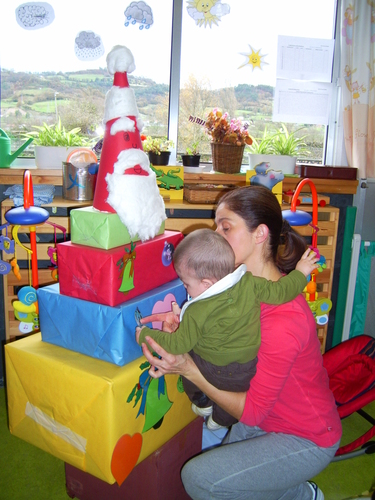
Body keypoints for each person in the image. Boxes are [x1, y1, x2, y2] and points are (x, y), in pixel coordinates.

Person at [139, 185, 342, 500]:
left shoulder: (283, 319)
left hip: (304, 436)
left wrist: (187, 369)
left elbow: (253, 413)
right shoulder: (234, 288)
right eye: (215, 224)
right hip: (265, 415)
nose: (216, 234)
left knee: (199, 478)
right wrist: (185, 328)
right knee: (206, 447)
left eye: (226, 226)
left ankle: (302, 494)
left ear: (259, 234)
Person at [136, 228, 317, 430]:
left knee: (189, 368)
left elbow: (178, 344)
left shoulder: (197, 310)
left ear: (206, 284)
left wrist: (145, 335)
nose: (185, 289)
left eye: (186, 284)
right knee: (228, 405)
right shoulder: (249, 283)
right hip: (245, 370)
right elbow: (283, 291)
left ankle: (202, 403)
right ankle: (221, 420)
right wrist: (300, 273)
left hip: (210, 367)